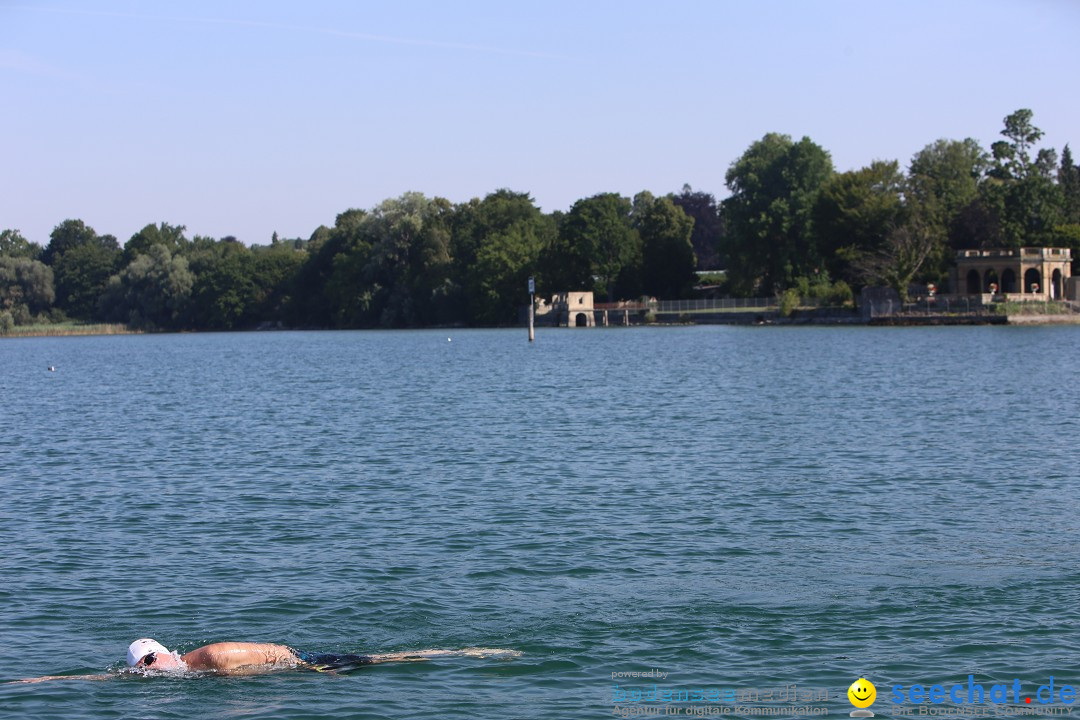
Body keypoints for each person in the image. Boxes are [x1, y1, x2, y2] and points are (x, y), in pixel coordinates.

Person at [9, 639, 518, 683]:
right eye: (144, 667)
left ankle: (469, 654)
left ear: (164, 654)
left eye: (150, 662)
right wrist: (34, 679)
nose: (149, 670)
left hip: (306, 663)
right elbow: (96, 679)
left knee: (388, 662)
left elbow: (271, 652)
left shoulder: (205, 658)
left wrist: (307, 669)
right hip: (299, 669)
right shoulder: (173, 674)